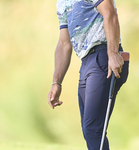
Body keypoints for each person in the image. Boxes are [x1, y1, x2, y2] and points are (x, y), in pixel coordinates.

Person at [48, 0, 129, 149]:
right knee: (89, 130)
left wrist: (112, 53)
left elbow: (109, 13)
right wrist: (56, 82)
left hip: (104, 56)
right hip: (87, 62)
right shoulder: (61, 3)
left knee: (93, 129)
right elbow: (64, 43)